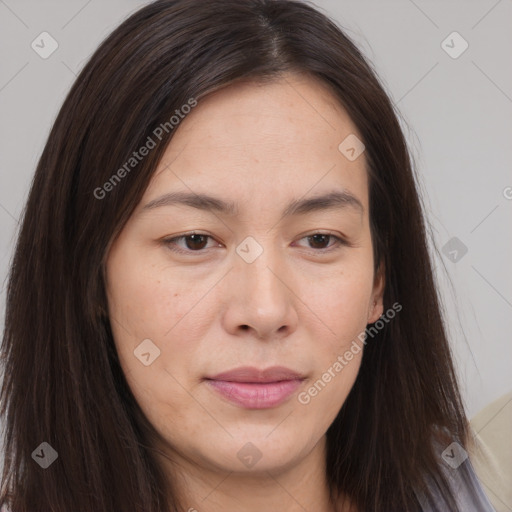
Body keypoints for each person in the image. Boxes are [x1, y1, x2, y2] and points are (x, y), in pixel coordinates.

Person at [0, 0, 497, 510]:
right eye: (194, 240)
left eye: (320, 239)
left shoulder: (463, 486)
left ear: (379, 282)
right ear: (91, 278)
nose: (264, 312)